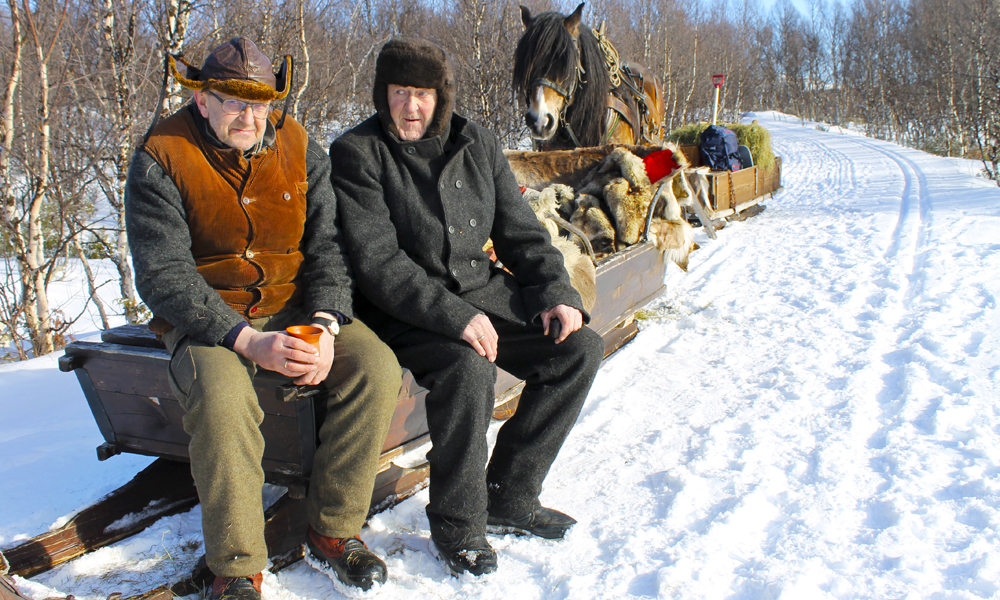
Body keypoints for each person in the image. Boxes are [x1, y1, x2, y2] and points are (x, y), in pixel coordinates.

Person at [124, 38, 400, 597]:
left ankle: (333, 531)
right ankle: (237, 568)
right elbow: (163, 275)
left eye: (261, 104)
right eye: (233, 102)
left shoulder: (300, 146)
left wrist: (325, 325)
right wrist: (245, 341)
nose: (250, 117)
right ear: (203, 99)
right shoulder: (162, 155)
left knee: (375, 367)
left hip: (295, 307)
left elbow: (327, 246)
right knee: (224, 401)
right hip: (207, 319)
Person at [329, 37, 605, 576]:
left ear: (442, 97)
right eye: (399, 92)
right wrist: (457, 318)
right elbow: (378, 262)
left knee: (577, 350)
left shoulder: (475, 141)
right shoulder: (357, 152)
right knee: (467, 368)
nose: (411, 107)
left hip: (480, 290)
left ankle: (509, 493)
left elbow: (523, 234)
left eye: (423, 94)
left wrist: (556, 293)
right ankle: (458, 525)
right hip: (402, 308)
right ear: (381, 94)